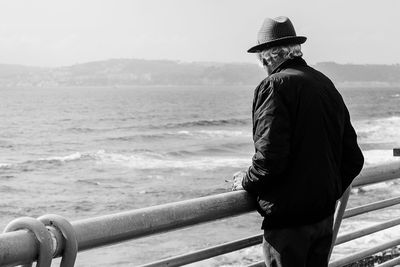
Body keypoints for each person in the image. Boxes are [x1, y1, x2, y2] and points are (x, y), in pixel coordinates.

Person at [232, 16, 364, 267]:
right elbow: (353, 158)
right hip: (322, 219)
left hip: (288, 228)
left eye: (260, 57)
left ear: (267, 56)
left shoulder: (274, 86)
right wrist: (327, 195)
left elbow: (269, 160)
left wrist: (245, 180)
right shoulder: (324, 84)